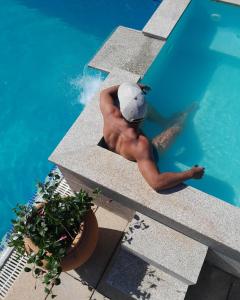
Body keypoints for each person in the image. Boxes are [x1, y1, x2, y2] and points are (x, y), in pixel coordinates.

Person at [100, 82, 204, 191]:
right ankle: (184, 115)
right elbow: (157, 182)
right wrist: (190, 173)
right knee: (175, 129)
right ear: (142, 116)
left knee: (144, 107)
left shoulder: (110, 113)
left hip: (116, 143)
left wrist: (133, 90)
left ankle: (163, 121)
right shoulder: (141, 144)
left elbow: (105, 92)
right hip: (140, 149)